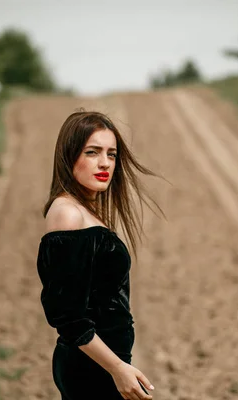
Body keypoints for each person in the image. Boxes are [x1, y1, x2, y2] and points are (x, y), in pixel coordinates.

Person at [36, 110, 164, 399]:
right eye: (92, 152)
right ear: (69, 156)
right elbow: (68, 316)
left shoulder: (84, 212)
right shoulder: (67, 214)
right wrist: (117, 368)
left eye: (112, 154)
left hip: (101, 365)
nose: (105, 163)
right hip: (91, 370)